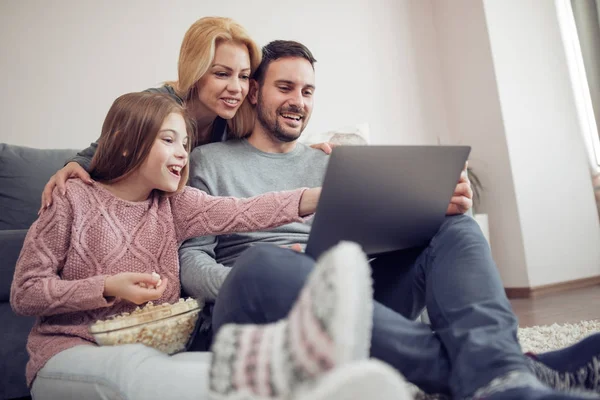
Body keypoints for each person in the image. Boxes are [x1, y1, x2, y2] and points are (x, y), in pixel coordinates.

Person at [180, 40, 600, 400]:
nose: (298, 101)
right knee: (266, 263)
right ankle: (508, 371)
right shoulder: (209, 161)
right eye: (285, 87)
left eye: (308, 91)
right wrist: (270, 274)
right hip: (260, 304)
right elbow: (191, 261)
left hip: (349, 299)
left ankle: (502, 377)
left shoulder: (330, 162)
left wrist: (444, 206)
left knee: (453, 228)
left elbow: (380, 242)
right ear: (254, 92)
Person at [10, 91, 413, 400]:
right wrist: (107, 287)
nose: (182, 154)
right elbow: (25, 293)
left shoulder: (174, 204)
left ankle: (322, 381)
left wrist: (316, 195)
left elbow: (245, 211)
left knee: (215, 365)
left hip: (159, 354)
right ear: (128, 142)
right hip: (67, 355)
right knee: (136, 369)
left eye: (185, 143)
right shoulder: (71, 198)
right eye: (169, 140)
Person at [39, 16, 332, 213]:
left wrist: (312, 151)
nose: (236, 88)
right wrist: (74, 165)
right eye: (221, 74)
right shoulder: (158, 107)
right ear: (195, 71)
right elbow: (101, 152)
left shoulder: (235, 116)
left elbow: (278, 127)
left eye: (243, 76)